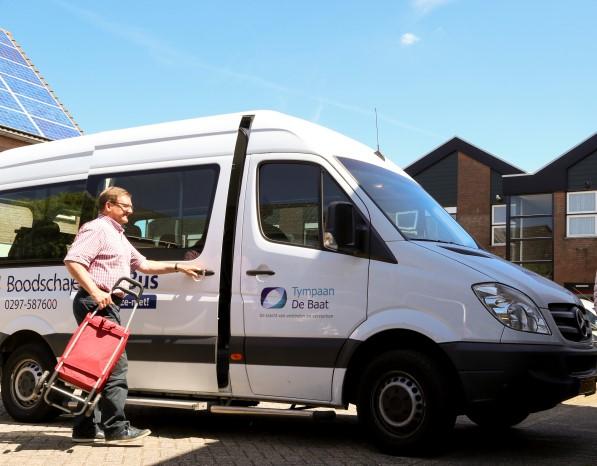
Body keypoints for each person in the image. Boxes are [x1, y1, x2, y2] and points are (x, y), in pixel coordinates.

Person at [64, 186, 200, 444]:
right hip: (97, 302)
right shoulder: (98, 229)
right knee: (116, 367)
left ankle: (84, 428)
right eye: (125, 205)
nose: (131, 210)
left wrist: (179, 266)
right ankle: (116, 428)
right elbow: (73, 261)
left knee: (94, 367)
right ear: (108, 206)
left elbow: (145, 264)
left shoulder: (118, 235)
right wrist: (94, 291)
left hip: (105, 302)